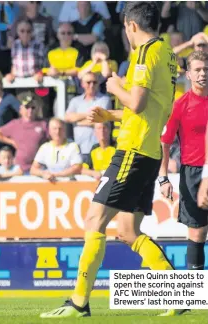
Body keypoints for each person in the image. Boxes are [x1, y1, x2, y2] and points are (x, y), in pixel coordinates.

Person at [41, 2, 180, 318]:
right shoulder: (167, 54)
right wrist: (112, 114)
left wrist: (114, 82)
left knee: (94, 221)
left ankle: (79, 302)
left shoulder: (145, 54)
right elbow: (154, 108)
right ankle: (179, 294)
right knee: (128, 231)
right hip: (147, 151)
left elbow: (139, 102)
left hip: (132, 151)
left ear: (131, 26)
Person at [160, 51, 208, 271]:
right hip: (192, 174)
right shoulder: (180, 105)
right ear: (188, 74)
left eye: (206, 69)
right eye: (197, 69)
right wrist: (163, 178)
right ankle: (196, 292)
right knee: (197, 233)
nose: (202, 74)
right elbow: (165, 142)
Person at [0, 91, 48, 174]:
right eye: (27, 107)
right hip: (19, 169)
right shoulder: (15, 124)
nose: (30, 110)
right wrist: (12, 142)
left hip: (39, 168)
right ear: (21, 109)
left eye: (33, 107)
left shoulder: (43, 124)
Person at [30, 118, 83, 182]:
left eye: (60, 129)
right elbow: (33, 169)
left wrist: (56, 175)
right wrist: (43, 173)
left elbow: (77, 168)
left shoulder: (73, 146)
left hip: (69, 185)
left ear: (64, 130)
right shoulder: (44, 147)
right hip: (50, 187)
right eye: (54, 129)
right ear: (49, 131)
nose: (57, 132)